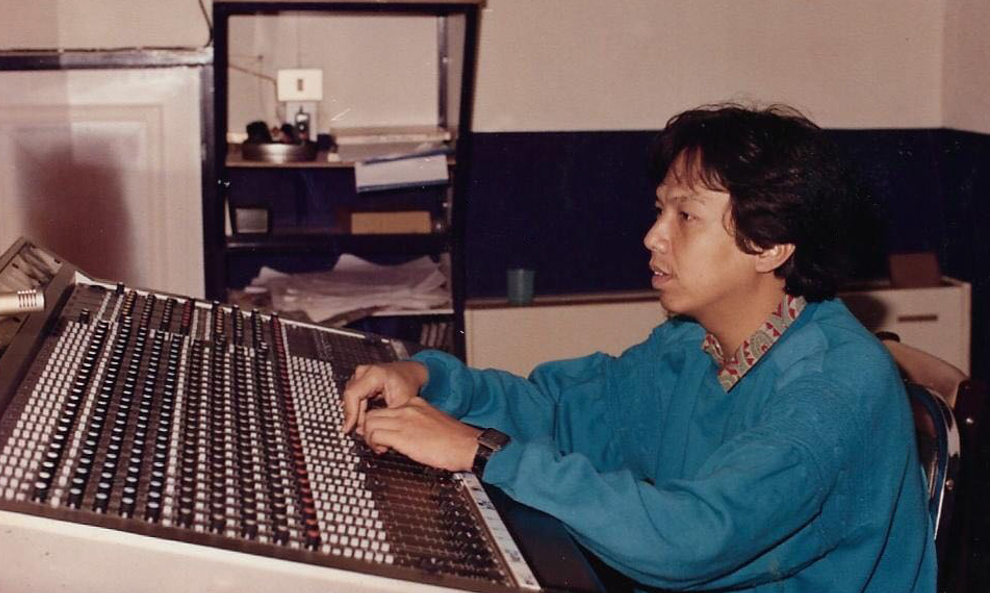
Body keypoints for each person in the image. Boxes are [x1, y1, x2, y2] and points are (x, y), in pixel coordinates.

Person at [341, 103, 937, 592]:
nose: (653, 236)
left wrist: (482, 452)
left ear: (770, 245)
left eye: (686, 216)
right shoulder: (693, 342)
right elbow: (560, 411)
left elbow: (692, 537)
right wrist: (431, 381)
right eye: (660, 210)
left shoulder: (831, 388)